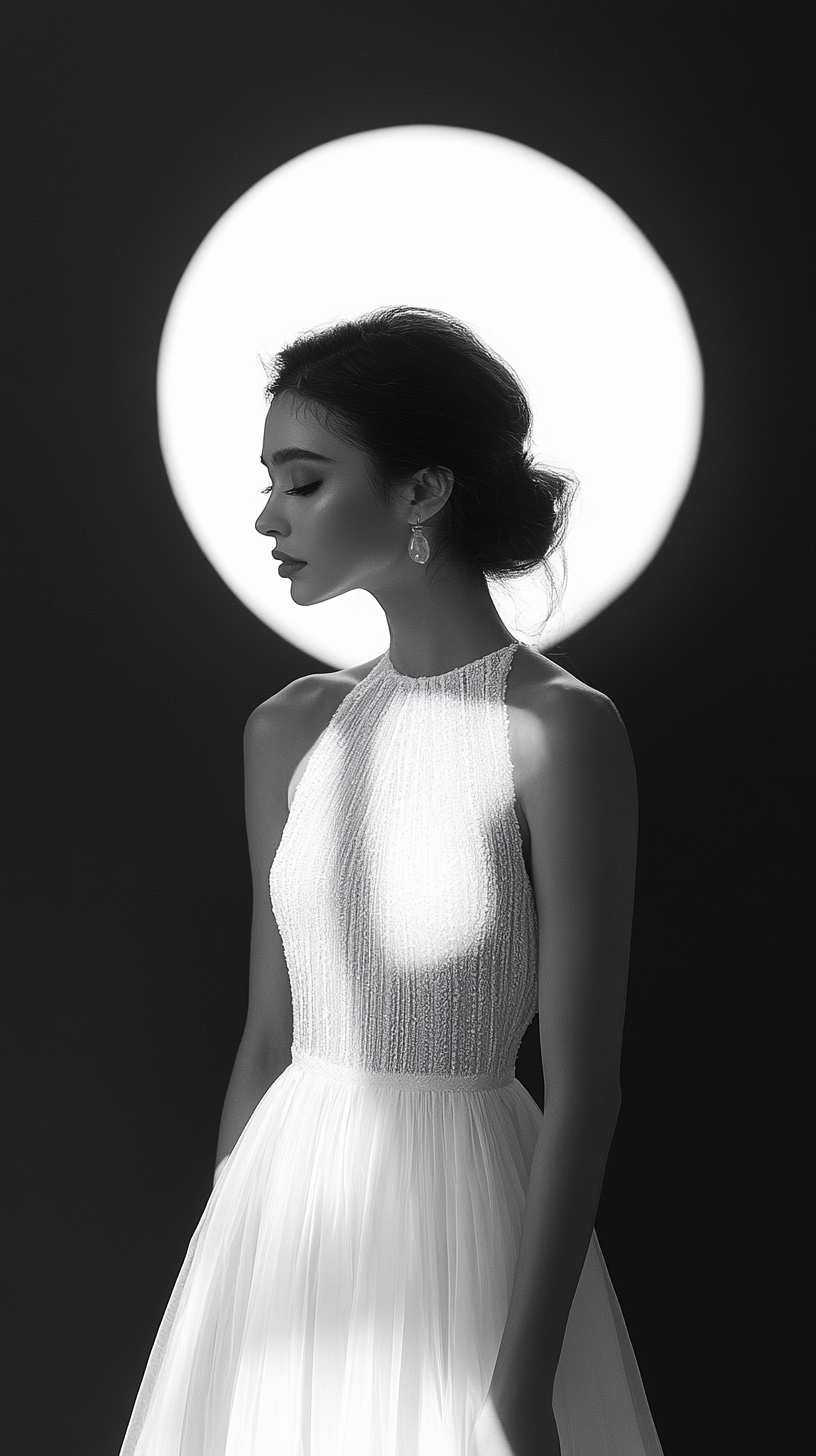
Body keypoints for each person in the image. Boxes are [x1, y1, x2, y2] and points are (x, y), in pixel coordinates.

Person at [120, 306, 664, 1455]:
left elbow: (588, 1089)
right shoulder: (289, 728)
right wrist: (221, 1273)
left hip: (466, 1215)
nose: (268, 515)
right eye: (270, 480)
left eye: (303, 481)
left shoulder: (558, 731)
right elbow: (268, 1039)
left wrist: (520, 1387)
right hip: (281, 1220)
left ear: (421, 494)